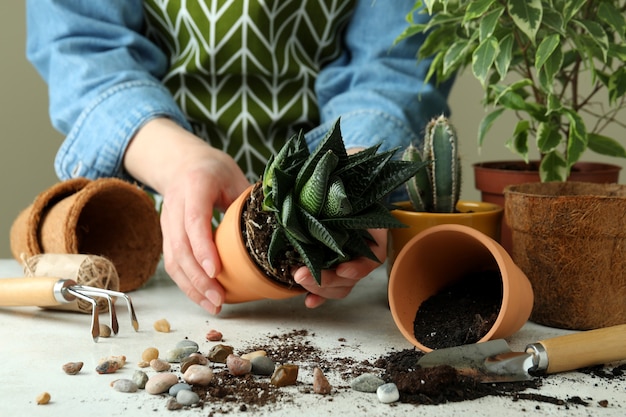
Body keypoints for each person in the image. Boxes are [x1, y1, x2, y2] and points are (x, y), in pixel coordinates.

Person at [26, 0, 452, 314]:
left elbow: (395, 61)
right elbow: (82, 43)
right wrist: (181, 163)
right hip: (151, 226)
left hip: (328, 268)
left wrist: (357, 174)